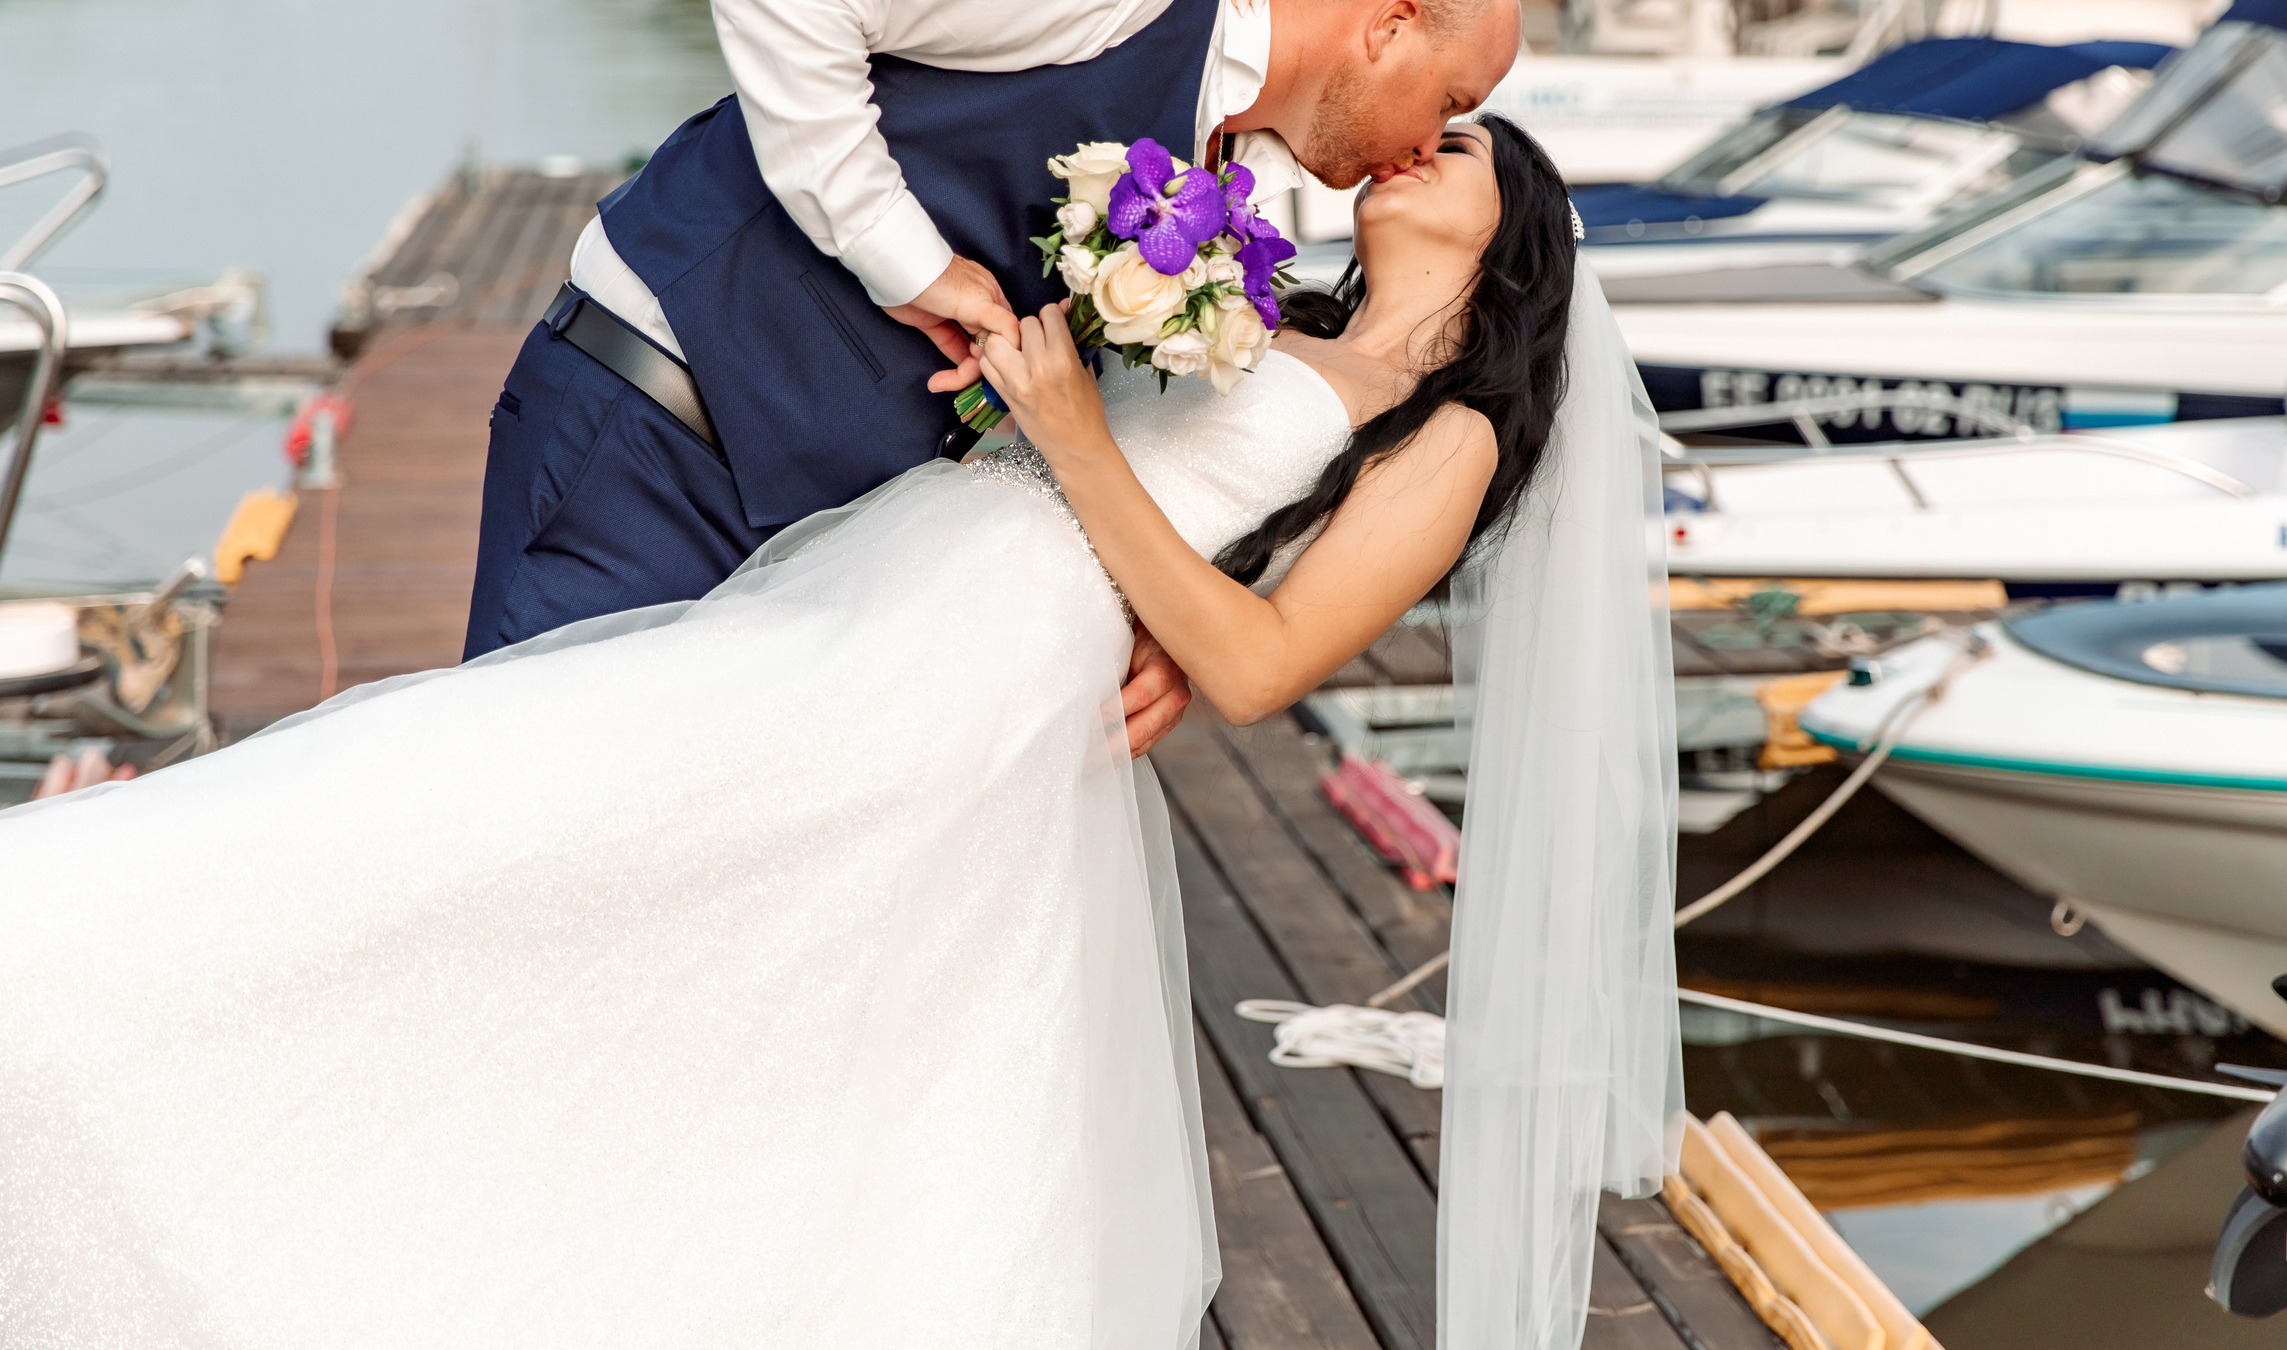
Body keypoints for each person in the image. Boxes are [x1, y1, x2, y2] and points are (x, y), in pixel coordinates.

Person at [0, 113, 1680, 1350]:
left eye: (1455, 144)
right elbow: (1216, 557)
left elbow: (1256, 665)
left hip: (968, 669)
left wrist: (1082, 448)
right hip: (890, 596)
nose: (1409, 147)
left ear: (1512, 225)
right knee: (541, 816)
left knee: (609, 856)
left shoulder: (1450, 431)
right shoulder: (1276, 312)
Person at [462, 0, 1523, 762]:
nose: (1430, 142)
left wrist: (1154, 617)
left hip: (825, 559)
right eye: (1452, 101)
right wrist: (904, 261)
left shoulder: (1217, 160)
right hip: (657, 442)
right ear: (1388, 26)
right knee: (508, 848)